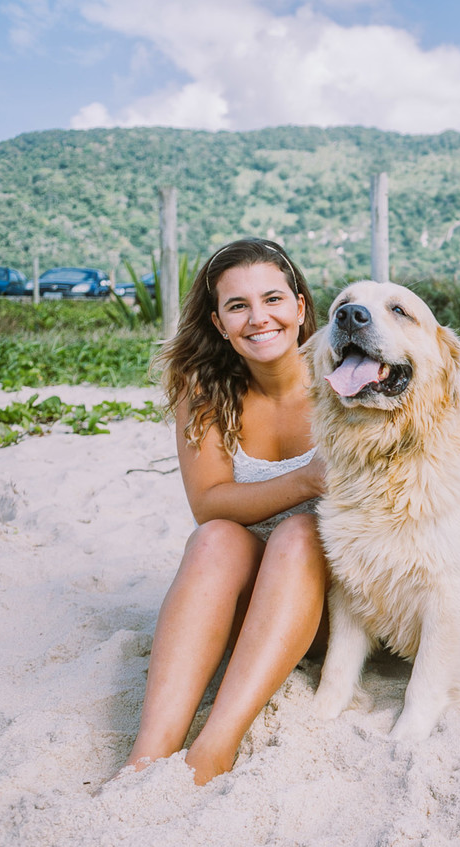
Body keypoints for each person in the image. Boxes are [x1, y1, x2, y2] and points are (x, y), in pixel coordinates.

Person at [119, 238, 327, 786]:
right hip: (247, 609)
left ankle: (216, 745)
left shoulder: (343, 380)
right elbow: (209, 500)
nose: (260, 318)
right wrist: (309, 478)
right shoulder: (206, 388)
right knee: (216, 537)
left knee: (302, 533)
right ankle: (150, 750)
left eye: (273, 300)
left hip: (339, 608)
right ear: (218, 321)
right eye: (238, 306)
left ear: (301, 307)